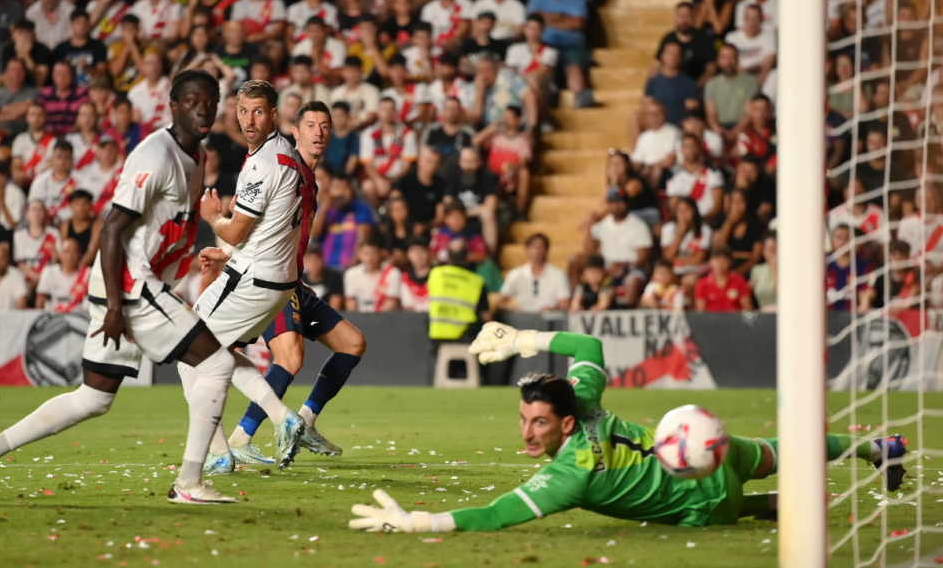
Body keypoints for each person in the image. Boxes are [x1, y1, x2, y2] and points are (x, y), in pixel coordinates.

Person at [0, 71, 300, 507]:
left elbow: (168, 231)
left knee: (94, 398)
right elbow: (112, 228)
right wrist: (117, 307)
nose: (203, 108)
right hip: (131, 285)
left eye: (210, 101)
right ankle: (191, 481)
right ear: (173, 106)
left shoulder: (198, 156)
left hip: (135, 283)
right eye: (193, 100)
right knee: (214, 363)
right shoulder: (155, 155)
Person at [348, 323, 908, 532]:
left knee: (737, 505)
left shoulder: (570, 476)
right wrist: (521, 339)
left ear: (565, 423)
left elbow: (495, 515)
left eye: (537, 423)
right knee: (778, 451)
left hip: (709, 504)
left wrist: (418, 521)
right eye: (524, 419)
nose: (526, 432)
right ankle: (874, 446)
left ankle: (770, 506)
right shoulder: (584, 399)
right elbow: (588, 346)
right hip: (709, 446)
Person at [198, 102, 369, 468]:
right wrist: (228, 250)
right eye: (310, 125)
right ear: (295, 132)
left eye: (324, 126)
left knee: (353, 344)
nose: (318, 132)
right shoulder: (286, 169)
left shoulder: (311, 180)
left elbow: (273, 231)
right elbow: (253, 221)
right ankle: (242, 437)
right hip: (272, 283)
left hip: (294, 280)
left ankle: (304, 422)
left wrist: (227, 252)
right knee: (289, 358)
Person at [577, 187, 651, 307]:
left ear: (627, 203)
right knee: (584, 267)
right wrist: (590, 227)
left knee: (633, 281)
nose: (616, 206)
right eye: (612, 203)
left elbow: (643, 259)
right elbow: (590, 252)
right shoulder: (602, 225)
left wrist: (622, 267)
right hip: (605, 268)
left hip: (631, 269)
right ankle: (579, 306)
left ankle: (625, 312)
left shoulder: (638, 226)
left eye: (619, 202)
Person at [526, 0, 590, 107]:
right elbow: (533, 22)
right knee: (539, 68)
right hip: (543, 45)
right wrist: (562, 17)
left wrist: (546, 19)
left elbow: (578, 22)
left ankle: (580, 95)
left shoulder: (577, 0)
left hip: (569, 44)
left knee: (572, 65)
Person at [427, 238, 490, 341]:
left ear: (448, 257)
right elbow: (486, 316)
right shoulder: (476, 281)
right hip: (465, 337)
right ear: (467, 257)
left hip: (436, 337)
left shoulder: (435, 274)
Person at [359, 97, 419, 203]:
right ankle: (377, 215)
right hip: (378, 177)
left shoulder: (408, 134)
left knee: (401, 189)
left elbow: (407, 167)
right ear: (378, 112)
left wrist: (390, 182)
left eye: (391, 109)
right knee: (367, 186)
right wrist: (379, 180)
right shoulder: (368, 134)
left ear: (396, 112)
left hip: (399, 178)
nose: (387, 113)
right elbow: (368, 166)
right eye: (383, 109)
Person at [477, 105, 532, 218]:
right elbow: (475, 141)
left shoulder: (522, 141)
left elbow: (523, 162)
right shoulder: (495, 136)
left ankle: (520, 210)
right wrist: (492, 128)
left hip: (510, 177)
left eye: (510, 117)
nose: (506, 120)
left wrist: (513, 166)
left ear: (518, 120)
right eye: (505, 117)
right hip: (491, 175)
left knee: (524, 172)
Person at [314, 171, 375, 271]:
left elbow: (362, 242)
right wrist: (324, 208)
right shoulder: (325, 209)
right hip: (325, 268)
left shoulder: (361, 209)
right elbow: (315, 235)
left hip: (350, 267)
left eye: (345, 188)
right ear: (330, 190)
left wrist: (350, 268)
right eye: (337, 188)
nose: (341, 192)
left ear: (352, 190)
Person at [443, 147, 499, 253]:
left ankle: (490, 256)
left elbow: (491, 205)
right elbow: (447, 202)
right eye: (466, 161)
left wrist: (464, 213)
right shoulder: (453, 177)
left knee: (488, 214)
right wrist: (459, 215)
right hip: (458, 216)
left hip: (478, 218)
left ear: (479, 162)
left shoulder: (487, 177)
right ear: (460, 162)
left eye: (472, 161)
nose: (469, 166)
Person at [497, 233, 570, 312]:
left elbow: (565, 302)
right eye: (534, 247)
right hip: (522, 318)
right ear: (527, 250)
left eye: (541, 247)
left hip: (549, 318)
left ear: (547, 250)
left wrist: (553, 309)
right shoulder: (516, 274)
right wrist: (512, 310)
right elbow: (500, 302)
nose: (537, 250)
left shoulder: (558, 275)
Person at [664, 133, 724, 222]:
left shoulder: (713, 173)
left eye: (693, 146)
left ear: (699, 148)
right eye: (687, 146)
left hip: (709, 221)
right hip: (684, 223)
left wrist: (699, 223)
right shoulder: (673, 178)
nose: (690, 149)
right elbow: (674, 207)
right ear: (681, 149)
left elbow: (718, 206)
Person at [660, 197, 711, 300]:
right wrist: (680, 234)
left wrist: (674, 258)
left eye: (686, 210)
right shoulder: (668, 229)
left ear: (694, 211)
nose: (683, 214)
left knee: (689, 281)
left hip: (695, 270)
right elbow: (667, 257)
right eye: (679, 211)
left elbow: (698, 259)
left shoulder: (704, 230)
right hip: (672, 270)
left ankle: (693, 313)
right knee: (660, 279)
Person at [654, 2, 716, 86]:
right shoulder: (668, 39)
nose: (684, 20)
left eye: (688, 16)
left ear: (694, 17)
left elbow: (711, 68)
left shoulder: (704, 39)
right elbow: (657, 65)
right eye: (680, 16)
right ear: (675, 18)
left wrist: (695, 88)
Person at [703, 45, 758, 139]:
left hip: (744, 128)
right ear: (718, 60)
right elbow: (711, 113)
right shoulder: (711, 84)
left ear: (737, 59)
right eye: (724, 57)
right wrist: (718, 130)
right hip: (719, 128)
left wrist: (735, 132)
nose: (728, 62)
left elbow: (750, 113)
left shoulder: (750, 81)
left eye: (731, 57)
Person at [469, 55, 538, 129]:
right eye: (481, 71)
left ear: (496, 70)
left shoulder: (507, 76)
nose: (484, 75)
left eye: (488, 70)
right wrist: (480, 92)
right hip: (491, 133)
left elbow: (529, 96)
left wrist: (531, 127)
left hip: (517, 128)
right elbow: (474, 120)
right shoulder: (472, 89)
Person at [644, 42, 700, 126]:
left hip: (679, 125)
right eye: (670, 53)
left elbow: (692, 110)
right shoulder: (653, 82)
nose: (673, 56)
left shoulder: (688, 83)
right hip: (658, 124)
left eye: (676, 54)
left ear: (680, 58)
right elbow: (647, 105)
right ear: (662, 56)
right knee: (635, 117)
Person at [391, 146, 445, 230]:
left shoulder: (441, 184)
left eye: (436, 162)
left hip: (428, 227)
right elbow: (393, 204)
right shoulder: (405, 181)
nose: (432, 166)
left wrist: (425, 227)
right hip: (405, 226)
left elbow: (440, 216)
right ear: (419, 161)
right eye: (428, 161)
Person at [52, 9, 108, 89]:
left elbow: (102, 72)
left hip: (93, 89)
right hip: (69, 91)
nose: (82, 26)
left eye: (85, 23)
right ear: (71, 25)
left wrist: (87, 68)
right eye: (78, 23)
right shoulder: (60, 49)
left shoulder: (98, 45)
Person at [712, 189, 763, 276]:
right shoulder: (722, 222)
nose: (736, 206)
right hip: (724, 267)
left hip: (747, 269)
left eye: (740, 201)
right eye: (733, 202)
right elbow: (717, 248)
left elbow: (755, 258)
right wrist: (729, 223)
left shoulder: (757, 225)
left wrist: (735, 274)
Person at [12, 200, 59, 293]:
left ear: (45, 214)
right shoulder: (19, 235)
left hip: (48, 278)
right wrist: (36, 277)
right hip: (25, 280)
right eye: (33, 209)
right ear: (27, 214)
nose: (37, 213)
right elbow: (20, 264)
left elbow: (55, 260)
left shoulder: (53, 233)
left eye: (40, 210)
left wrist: (43, 278)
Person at [344, 237, 401, 312]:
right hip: (360, 319)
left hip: (385, 319)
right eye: (366, 254)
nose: (370, 258)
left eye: (373, 253)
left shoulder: (392, 272)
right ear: (359, 254)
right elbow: (351, 303)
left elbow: (391, 304)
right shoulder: (350, 274)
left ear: (380, 253)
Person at [725, 5, 776, 87]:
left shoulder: (769, 37)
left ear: (761, 20)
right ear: (744, 19)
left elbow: (768, 65)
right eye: (749, 18)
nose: (752, 23)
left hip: (760, 80)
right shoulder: (732, 38)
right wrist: (757, 67)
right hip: (736, 79)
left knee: (774, 75)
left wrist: (755, 89)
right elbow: (727, 63)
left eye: (755, 19)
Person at [630, 101, 679, 186]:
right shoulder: (643, 137)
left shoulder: (672, 132)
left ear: (664, 114)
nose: (654, 117)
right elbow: (636, 160)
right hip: (646, 171)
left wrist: (651, 168)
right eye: (650, 114)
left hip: (666, 172)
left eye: (657, 113)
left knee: (655, 171)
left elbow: (670, 160)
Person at [28, 140, 78, 223]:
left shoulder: (80, 181)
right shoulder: (41, 180)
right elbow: (33, 205)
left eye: (67, 158)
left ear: (72, 160)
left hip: (69, 223)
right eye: (59, 157)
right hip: (43, 222)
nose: (62, 162)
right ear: (52, 159)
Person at [35, 236, 89, 312]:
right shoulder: (49, 272)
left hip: (78, 319)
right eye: (66, 251)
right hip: (53, 317)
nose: (70, 256)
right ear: (60, 254)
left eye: (74, 252)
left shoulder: (88, 274)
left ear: (80, 255)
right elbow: (41, 300)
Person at [10, 101, 56, 188]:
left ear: (46, 117)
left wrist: (30, 176)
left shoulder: (53, 141)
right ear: (27, 117)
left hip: (44, 183)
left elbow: (51, 165)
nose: (36, 118)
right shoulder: (20, 139)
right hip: (21, 183)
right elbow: (16, 164)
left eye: (40, 115)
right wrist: (17, 174)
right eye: (32, 115)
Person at [422, 97, 476, 170]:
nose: (452, 112)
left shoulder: (469, 133)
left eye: (455, 109)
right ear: (443, 111)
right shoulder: (431, 130)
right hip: (434, 171)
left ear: (460, 111)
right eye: (449, 109)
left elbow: (474, 159)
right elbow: (422, 153)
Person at [381, 53, 434, 128]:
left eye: (400, 70)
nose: (397, 74)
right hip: (394, 132)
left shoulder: (419, 88)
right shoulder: (385, 94)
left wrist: (405, 125)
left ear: (406, 71)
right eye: (394, 70)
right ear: (389, 72)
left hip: (416, 129)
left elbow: (424, 114)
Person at [694, 246, 753, 313]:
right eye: (716, 260)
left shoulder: (739, 281)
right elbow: (700, 313)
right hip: (712, 321)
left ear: (730, 262)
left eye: (723, 260)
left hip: (734, 320)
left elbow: (748, 309)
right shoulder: (702, 284)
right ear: (710, 261)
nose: (720, 264)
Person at [290, 17, 346, 86]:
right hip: (307, 86)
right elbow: (294, 74)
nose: (314, 35)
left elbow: (337, 77)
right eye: (311, 31)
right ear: (306, 32)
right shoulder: (300, 47)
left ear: (325, 30)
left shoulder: (338, 46)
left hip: (330, 86)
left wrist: (315, 58)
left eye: (318, 31)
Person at [429, 200, 488, 264]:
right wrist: (443, 258)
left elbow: (483, 255)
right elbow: (430, 254)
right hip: (444, 270)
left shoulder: (473, 235)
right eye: (452, 217)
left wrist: (461, 257)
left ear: (465, 217)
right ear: (445, 219)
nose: (456, 220)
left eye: (459, 216)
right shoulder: (439, 235)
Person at [39, 61, 89, 136]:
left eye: (66, 74)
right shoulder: (45, 93)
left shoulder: (82, 93)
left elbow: (85, 117)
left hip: (76, 136)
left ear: (72, 75)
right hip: (49, 136)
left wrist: (69, 135)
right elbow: (39, 116)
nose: (62, 78)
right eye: (59, 74)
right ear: (53, 76)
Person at [76, 135, 122, 216]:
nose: (107, 153)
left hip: (115, 216)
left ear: (116, 151)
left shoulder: (125, 170)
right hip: (90, 216)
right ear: (98, 152)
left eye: (110, 149)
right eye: (103, 149)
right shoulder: (87, 171)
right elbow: (80, 196)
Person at [331, 56, 380, 131]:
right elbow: (333, 117)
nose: (352, 74)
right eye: (349, 71)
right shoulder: (336, 93)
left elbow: (372, 117)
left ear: (361, 71)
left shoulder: (372, 91)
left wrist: (354, 129)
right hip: (342, 132)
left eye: (355, 71)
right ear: (343, 72)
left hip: (365, 131)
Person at [127, 52, 171, 135]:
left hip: (168, 133)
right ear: (143, 66)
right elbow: (136, 120)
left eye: (156, 63)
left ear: (162, 66)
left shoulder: (172, 87)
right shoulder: (134, 93)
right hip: (144, 135)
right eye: (149, 63)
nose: (153, 67)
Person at [60, 189, 101, 268]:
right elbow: (64, 250)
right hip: (70, 268)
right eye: (77, 204)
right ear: (70, 206)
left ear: (90, 205)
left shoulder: (97, 224)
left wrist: (78, 271)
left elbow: (93, 251)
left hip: (90, 268)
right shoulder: (65, 225)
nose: (81, 208)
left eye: (85, 203)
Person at [302, 243, 344, 310]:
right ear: (304, 261)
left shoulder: (334, 277)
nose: (314, 264)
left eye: (317, 259)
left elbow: (335, 308)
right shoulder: (300, 280)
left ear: (323, 259)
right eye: (310, 260)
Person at [324, 101, 360, 175]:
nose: (337, 119)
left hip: (344, 176)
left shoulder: (354, 138)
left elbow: (351, 164)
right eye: (335, 116)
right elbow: (320, 159)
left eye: (340, 116)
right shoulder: (325, 135)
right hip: (326, 174)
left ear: (348, 116)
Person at [66, 102, 100, 175]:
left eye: (91, 115)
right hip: (72, 181)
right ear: (78, 118)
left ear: (96, 118)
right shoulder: (69, 140)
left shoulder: (102, 140)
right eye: (84, 114)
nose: (87, 118)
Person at [401, 235, 433, 312]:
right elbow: (407, 306)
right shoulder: (404, 278)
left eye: (422, 250)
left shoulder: (439, 276)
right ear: (408, 255)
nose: (418, 255)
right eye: (414, 251)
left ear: (428, 253)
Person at [749, 233, 776, 311]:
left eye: (775, 249)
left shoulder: (788, 270)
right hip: (763, 314)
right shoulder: (757, 270)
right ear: (763, 251)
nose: (773, 254)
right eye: (770, 250)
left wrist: (774, 269)